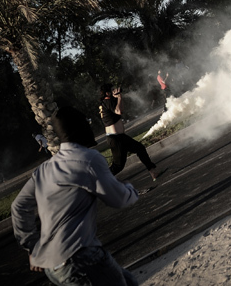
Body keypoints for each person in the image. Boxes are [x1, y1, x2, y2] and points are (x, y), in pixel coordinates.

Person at [11, 106, 140, 286]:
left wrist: (32, 246)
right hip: (80, 258)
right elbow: (118, 199)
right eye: (86, 123)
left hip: (53, 266)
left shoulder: (44, 170)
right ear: (80, 128)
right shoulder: (88, 158)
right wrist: (130, 189)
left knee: (128, 281)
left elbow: (18, 207)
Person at [99, 84, 159, 180]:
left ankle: (152, 171)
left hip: (119, 137)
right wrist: (118, 97)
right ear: (107, 93)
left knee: (140, 148)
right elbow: (119, 111)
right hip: (115, 138)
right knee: (118, 166)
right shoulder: (107, 101)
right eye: (112, 90)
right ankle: (100, 181)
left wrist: (119, 97)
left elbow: (120, 110)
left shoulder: (108, 101)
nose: (115, 90)